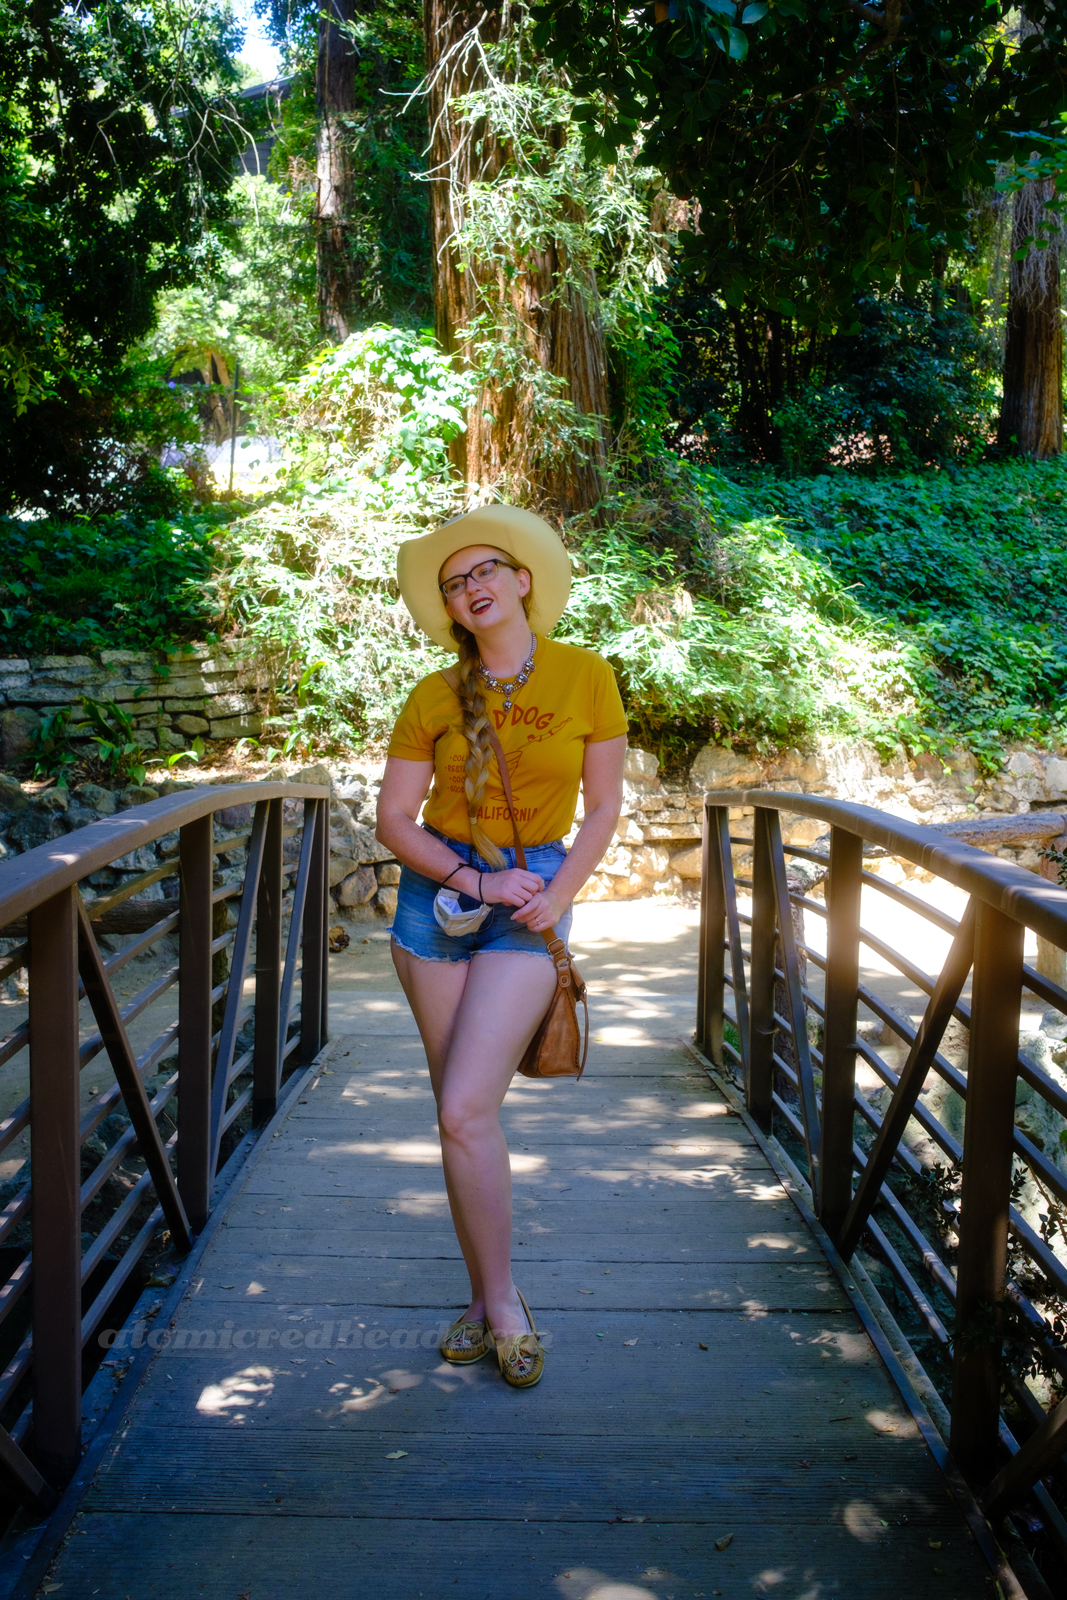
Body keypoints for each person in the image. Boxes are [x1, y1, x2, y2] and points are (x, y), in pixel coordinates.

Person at [375, 504, 627, 1388]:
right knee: (462, 1117)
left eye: (485, 570)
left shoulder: (586, 677)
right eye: (454, 583)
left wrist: (557, 897)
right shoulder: (432, 697)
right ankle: (487, 1301)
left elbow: (601, 809)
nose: (471, 586)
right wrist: (477, 881)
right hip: (437, 899)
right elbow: (394, 821)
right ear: (448, 608)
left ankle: (503, 1303)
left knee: (463, 1109)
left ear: (523, 580)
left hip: (532, 902)